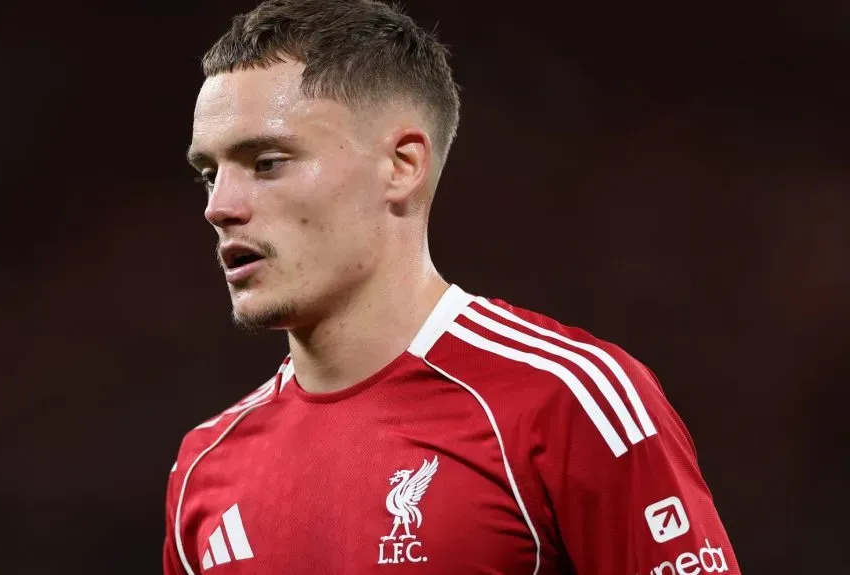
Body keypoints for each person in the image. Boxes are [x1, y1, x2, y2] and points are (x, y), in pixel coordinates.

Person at [165, 0, 741, 573]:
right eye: (209, 175)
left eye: (266, 163)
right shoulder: (203, 469)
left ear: (402, 165)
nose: (220, 208)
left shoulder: (566, 401)